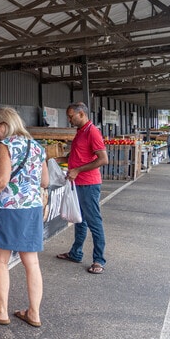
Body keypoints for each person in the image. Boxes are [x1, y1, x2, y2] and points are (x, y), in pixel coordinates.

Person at [0, 107, 49, 328]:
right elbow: (44, 182)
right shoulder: (37, 146)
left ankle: (1, 312)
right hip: (33, 209)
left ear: (5, 125)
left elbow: (1, 181)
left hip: (10, 209)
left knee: (0, 260)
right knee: (32, 262)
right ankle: (34, 314)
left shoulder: (5, 146)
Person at [55, 102, 108, 275]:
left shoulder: (92, 132)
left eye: (71, 116)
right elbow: (78, 156)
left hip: (89, 183)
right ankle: (76, 253)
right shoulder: (80, 132)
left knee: (94, 221)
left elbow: (103, 159)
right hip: (77, 183)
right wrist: (58, 160)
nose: (69, 119)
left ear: (82, 114)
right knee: (79, 220)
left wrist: (77, 170)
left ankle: (99, 260)